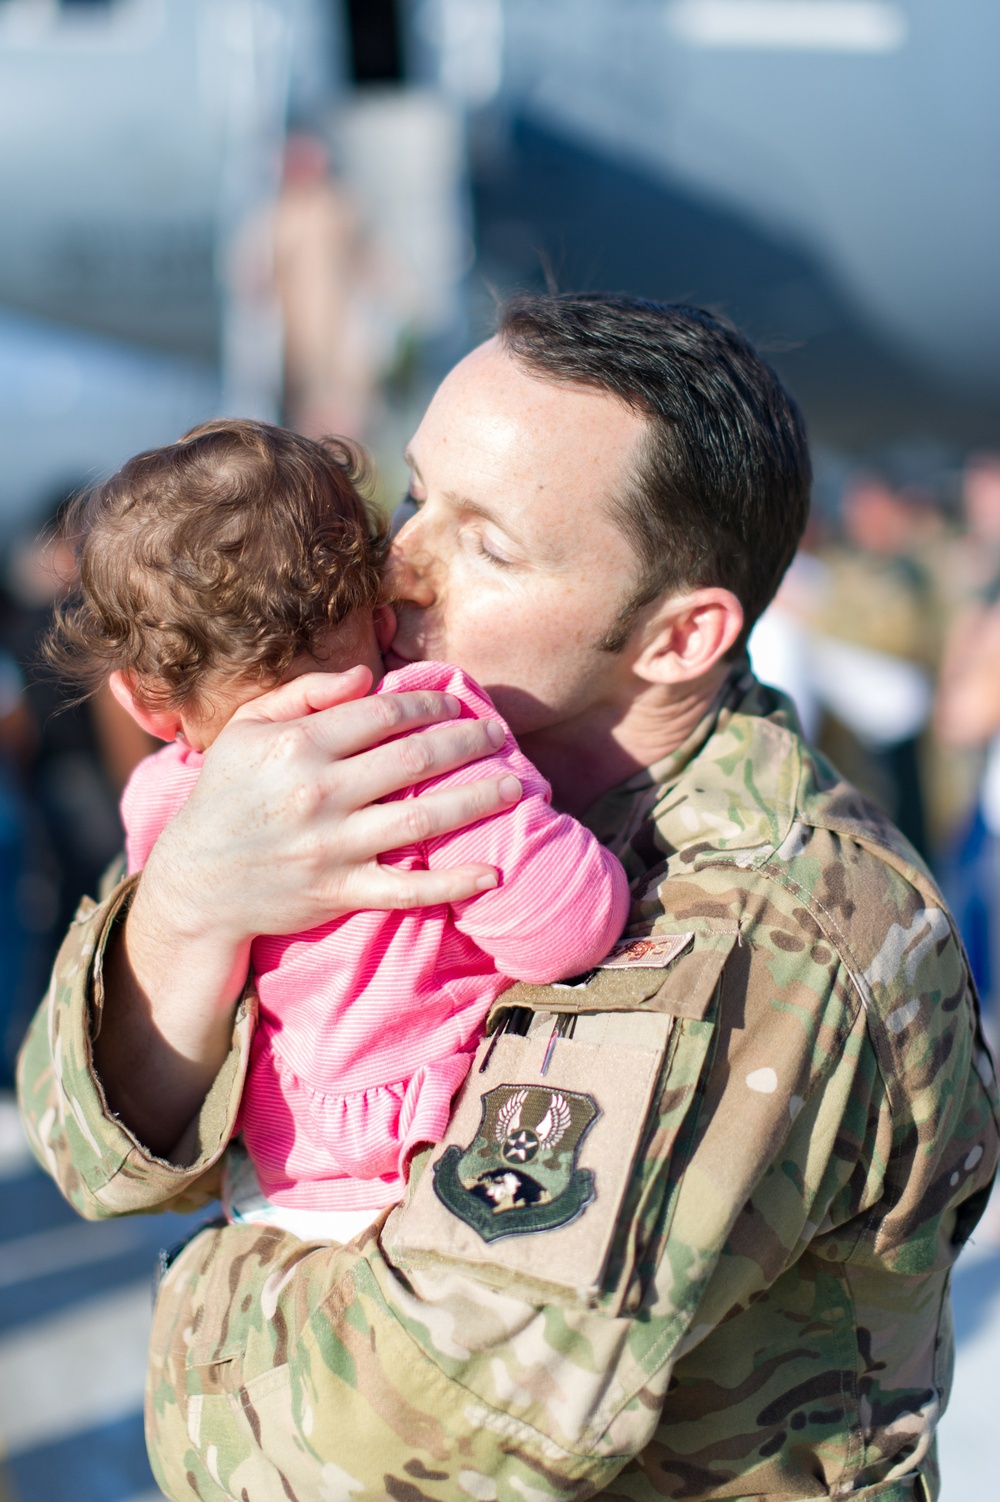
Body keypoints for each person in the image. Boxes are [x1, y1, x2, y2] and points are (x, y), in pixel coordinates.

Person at [18, 294, 999, 1502]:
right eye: (419, 494)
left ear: (679, 635)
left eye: (486, 542)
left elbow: (396, 1437)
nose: (398, 564)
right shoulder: (387, 762)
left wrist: (206, 1284)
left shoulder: (762, 924)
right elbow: (85, 1142)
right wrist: (188, 904)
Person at [44, 418, 629, 1239]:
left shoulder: (161, 800)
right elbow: (567, 932)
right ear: (380, 615)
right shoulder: (426, 735)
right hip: (426, 1157)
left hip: (266, 1173)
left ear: (141, 701)